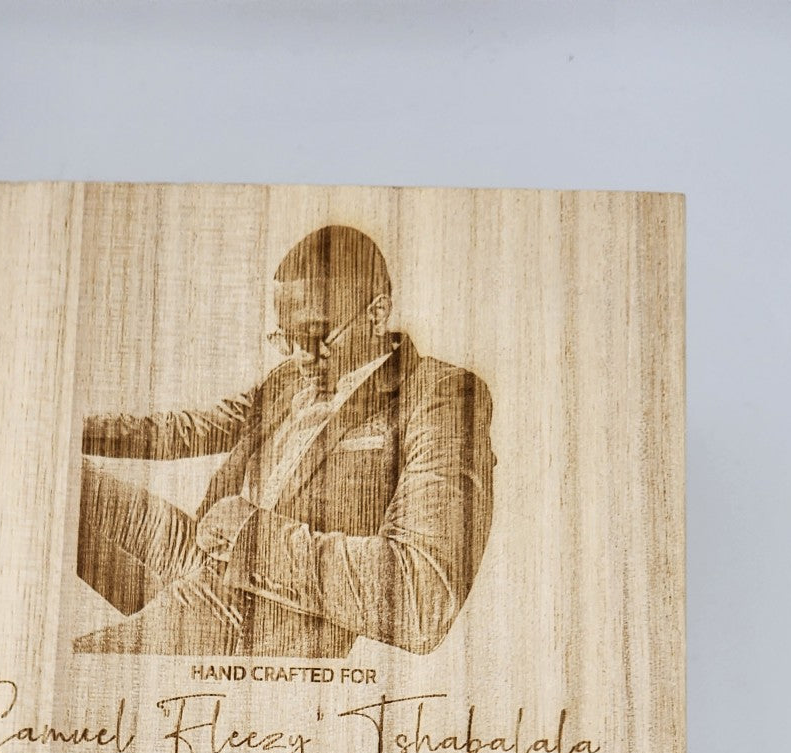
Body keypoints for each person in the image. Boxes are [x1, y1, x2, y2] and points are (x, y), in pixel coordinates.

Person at [75, 225, 494, 657]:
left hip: (261, 612)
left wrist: (252, 537)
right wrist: (68, 428)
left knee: (86, 662)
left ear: (377, 313)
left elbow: (422, 597)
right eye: (286, 339)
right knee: (62, 479)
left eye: (315, 337)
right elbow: (188, 429)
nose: (300, 357)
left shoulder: (442, 395)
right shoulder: (289, 378)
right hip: (203, 557)